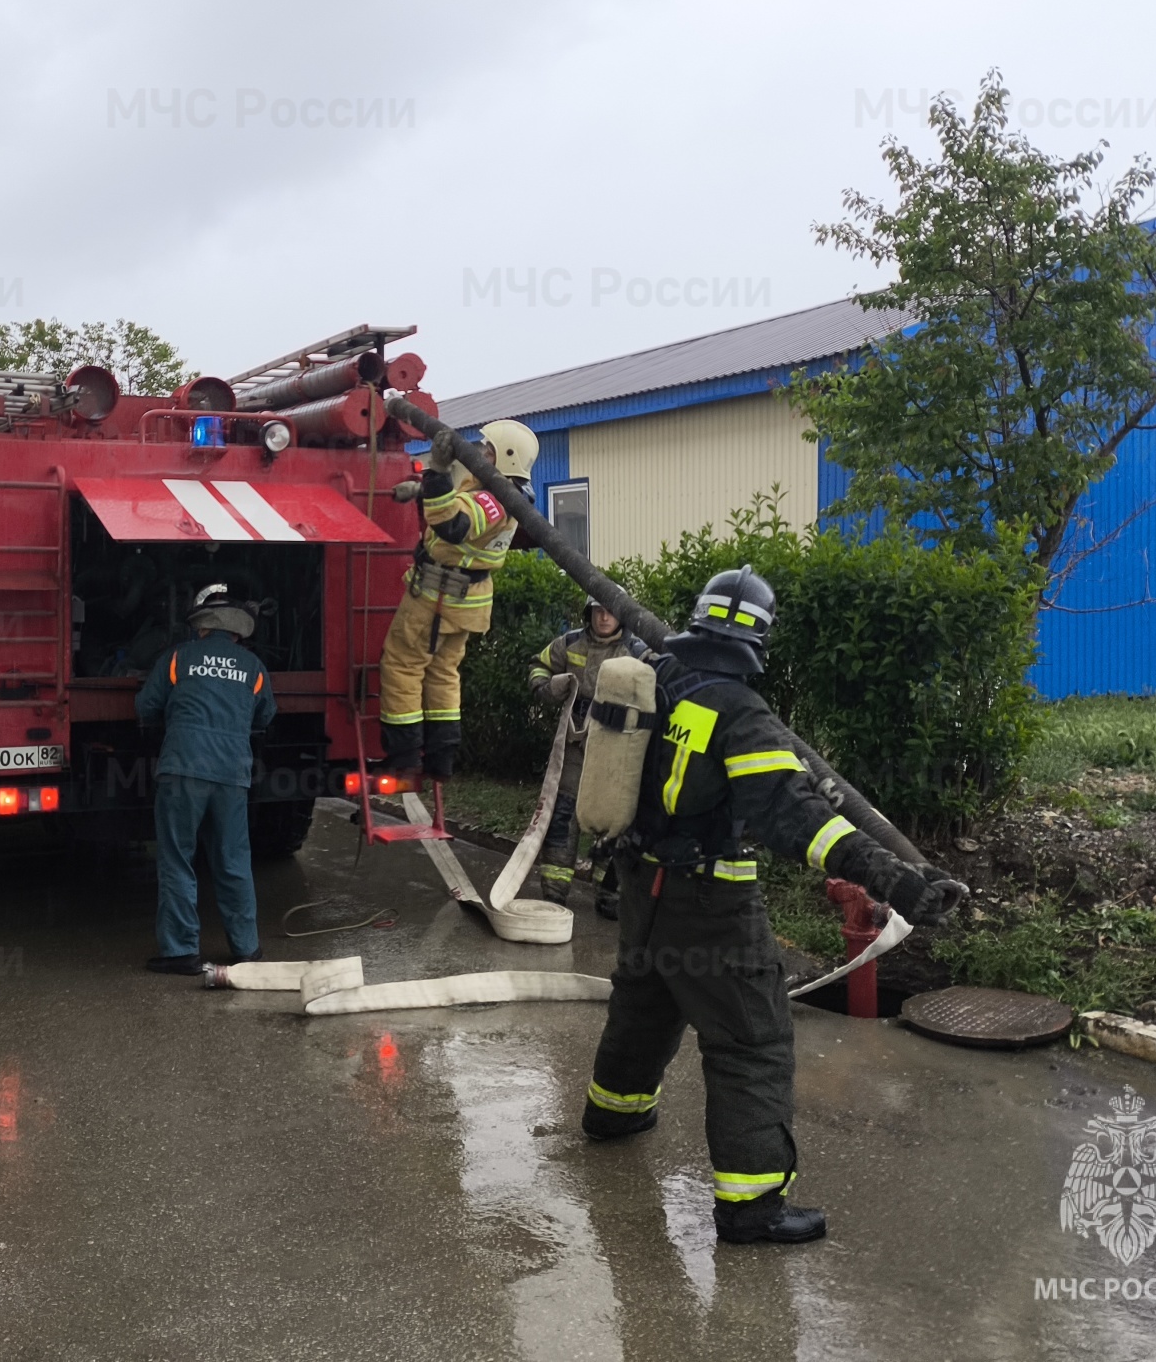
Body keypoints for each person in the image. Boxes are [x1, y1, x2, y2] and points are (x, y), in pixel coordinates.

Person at [581, 565, 966, 1246]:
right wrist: (896, 880)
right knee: (751, 1041)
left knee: (645, 999)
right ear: (759, 637)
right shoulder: (742, 715)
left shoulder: (655, 674)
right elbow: (801, 823)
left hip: (641, 884)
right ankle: (751, 1207)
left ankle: (613, 1115)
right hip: (709, 904)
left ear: (700, 618)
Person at [377, 418, 538, 778]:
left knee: (402, 666)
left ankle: (403, 758)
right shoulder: (504, 493)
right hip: (463, 602)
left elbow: (454, 526)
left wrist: (436, 469)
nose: (482, 453)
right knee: (442, 675)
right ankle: (441, 761)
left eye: (489, 450)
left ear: (506, 457)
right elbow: (460, 504)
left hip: (437, 599)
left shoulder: (493, 498)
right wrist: (422, 490)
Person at [134, 583, 276, 974]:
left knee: (178, 858)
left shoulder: (178, 658)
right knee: (233, 859)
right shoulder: (253, 668)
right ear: (237, 631)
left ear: (200, 628)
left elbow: (146, 704)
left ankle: (181, 952)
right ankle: (247, 950)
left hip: (183, 769)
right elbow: (265, 716)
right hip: (232, 775)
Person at [526, 597, 648, 912]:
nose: (604, 617)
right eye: (598, 611)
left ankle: (610, 897)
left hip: (615, 751)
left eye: (611, 611)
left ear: (622, 616)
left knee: (614, 820)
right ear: (589, 614)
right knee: (563, 816)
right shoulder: (569, 644)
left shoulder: (638, 652)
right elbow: (538, 665)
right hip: (573, 746)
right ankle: (554, 895)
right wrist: (547, 687)